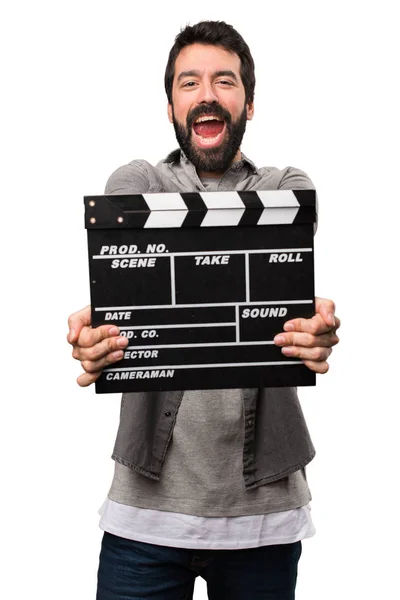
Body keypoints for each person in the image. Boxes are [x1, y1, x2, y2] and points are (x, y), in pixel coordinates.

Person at [68, 20, 340, 600]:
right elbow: (126, 231)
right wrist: (100, 329)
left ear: (248, 102)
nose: (207, 94)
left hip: (263, 518)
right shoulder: (144, 178)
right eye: (189, 83)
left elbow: (292, 227)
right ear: (171, 105)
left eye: (225, 81)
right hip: (143, 519)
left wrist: (313, 328)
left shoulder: (283, 182)